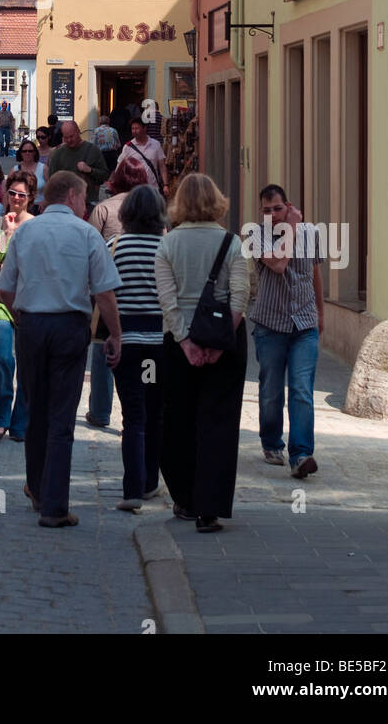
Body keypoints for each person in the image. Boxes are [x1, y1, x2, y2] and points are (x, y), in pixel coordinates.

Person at [0, 171, 122, 528]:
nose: (86, 205)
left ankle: (36, 488)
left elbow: (5, 287)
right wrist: (115, 334)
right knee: (62, 416)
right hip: (69, 326)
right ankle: (54, 505)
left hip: (32, 325)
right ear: (72, 197)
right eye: (84, 198)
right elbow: (104, 292)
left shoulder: (26, 233)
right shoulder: (86, 234)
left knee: (35, 408)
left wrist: (20, 316)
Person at [154, 173, 249, 533]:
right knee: (219, 424)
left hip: (179, 345)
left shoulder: (168, 244)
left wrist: (186, 342)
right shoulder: (231, 242)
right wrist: (220, 341)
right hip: (226, 341)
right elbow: (240, 295)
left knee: (178, 421)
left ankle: (185, 497)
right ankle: (209, 508)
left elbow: (167, 299)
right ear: (216, 200)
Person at [250, 183, 324, 479]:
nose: (273, 215)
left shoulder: (312, 234)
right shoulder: (255, 236)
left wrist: (321, 311)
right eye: (267, 210)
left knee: (302, 389)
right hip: (271, 324)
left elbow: (314, 272)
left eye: (278, 209)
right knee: (270, 392)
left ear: (288, 205)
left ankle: (301, 454)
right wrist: (292, 227)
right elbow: (279, 264)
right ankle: (271, 442)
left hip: (305, 324)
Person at [111, 185, 168, 511]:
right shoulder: (168, 247)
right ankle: (149, 482)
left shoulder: (115, 246)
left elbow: (101, 291)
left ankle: (132, 490)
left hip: (126, 343)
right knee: (155, 415)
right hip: (159, 345)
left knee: (133, 417)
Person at [85, 157, 150, 428]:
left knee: (103, 349)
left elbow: (89, 247)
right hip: (145, 291)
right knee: (142, 354)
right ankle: (136, 413)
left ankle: (100, 411)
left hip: (108, 289)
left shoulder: (103, 209)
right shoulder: (153, 208)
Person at [0, 171, 33, 442]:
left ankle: (21, 421)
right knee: (2, 360)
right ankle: (0, 419)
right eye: (11, 192)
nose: (15, 198)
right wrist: (7, 233)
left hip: (29, 302)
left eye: (21, 194)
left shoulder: (37, 226)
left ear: (30, 198)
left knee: (27, 364)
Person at [46, 120, 109, 211]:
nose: (69, 140)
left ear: (78, 131)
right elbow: (51, 180)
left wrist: (90, 170)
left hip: (87, 203)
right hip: (64, 204)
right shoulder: (58, 153)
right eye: (66, 137)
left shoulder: (93, 150)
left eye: (72, 136)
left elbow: (105, 175)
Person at [119, 116, 169, 197]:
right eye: (132, 129)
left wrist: (166, 185)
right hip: (134, 191)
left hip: (153, 189)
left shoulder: (155, 144)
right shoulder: (128, 147)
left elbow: (162, 166)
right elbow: (120, 167)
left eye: (137, 128)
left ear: (144, 128)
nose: (134, 131)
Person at [16, 140, 46, 206]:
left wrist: (45, 202)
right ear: (20, 153)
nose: (27, 153)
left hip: (40, 208)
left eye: (30, 151)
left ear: (35, 152)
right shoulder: (14, 170)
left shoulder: (44, 168)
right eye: (24, 151)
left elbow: (52, 189)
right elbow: (7, 193)